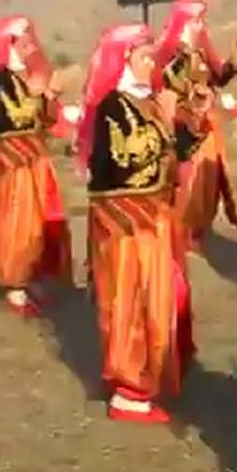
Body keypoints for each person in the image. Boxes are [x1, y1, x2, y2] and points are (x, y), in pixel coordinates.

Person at [76, 22, 193, 423]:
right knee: (130, 298)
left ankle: (150, 378)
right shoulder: (114, 105)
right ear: (124, 62)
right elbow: (126, 158)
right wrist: (167, 122)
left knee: (159, 296)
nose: (150, 66)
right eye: (144, 59)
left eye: (151, 59)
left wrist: (187, 122)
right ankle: (129, 390)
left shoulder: (145, 101)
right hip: (125, 222)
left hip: (152, 217)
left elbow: (173, 154)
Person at [0, 15, 72, 316]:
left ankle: (35, 276)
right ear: (11, 45)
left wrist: (50, 97)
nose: (31, 46)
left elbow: (46, 119)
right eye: (24, 41)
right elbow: (14, 118)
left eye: (32, 40)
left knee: (43, 219)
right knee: (19, 220)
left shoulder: (29, 77)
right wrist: (42, 95)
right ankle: (14, 283)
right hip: (14, 160)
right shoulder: (2, 80)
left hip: (36, 157)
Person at [154, 0, 237, 260]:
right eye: (195, 21)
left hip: (205, 125)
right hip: (182, 124)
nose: (199, 26)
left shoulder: (201, 51)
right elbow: (168, 85)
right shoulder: (170, 55)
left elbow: (218, 78)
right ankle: (181, 233)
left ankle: (199, 231)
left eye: (201, 21)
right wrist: (194, 96)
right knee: (186, 182)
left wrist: (234, 62)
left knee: (208, 182)